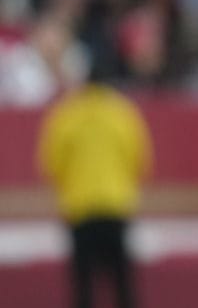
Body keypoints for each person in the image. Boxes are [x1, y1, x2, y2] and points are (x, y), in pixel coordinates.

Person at [37, 63, 153, 308]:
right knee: (123, 285)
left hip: (80, 208)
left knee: (83, 287)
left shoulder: (67, 114)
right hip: (115, 206)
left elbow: (51, 163)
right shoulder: (123, 113)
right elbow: (141, 160)